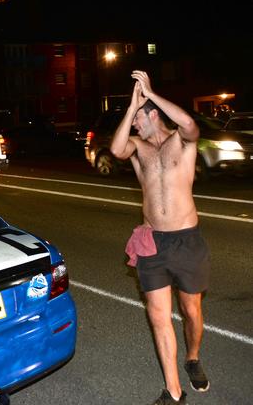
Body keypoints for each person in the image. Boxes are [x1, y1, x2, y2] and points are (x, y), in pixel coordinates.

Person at [110, 71, 210, 405]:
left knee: (191, 310)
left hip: (187, 240)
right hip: (152, 242)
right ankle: (174, 391)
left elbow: (190, 123)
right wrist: (131, 106)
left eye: (139, 117)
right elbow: (116, 148)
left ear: (154, 113)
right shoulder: (138, 149)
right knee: (158, 316)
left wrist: (151, 93)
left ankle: (192, 357)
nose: (135, 125)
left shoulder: (182, 140)